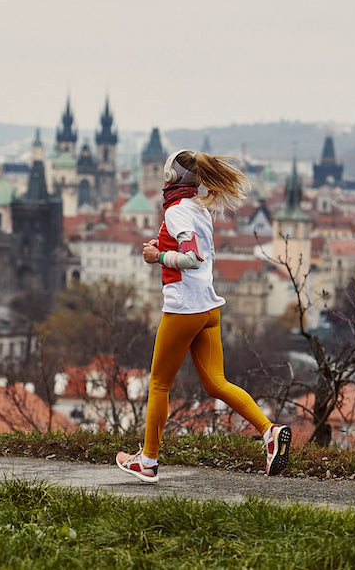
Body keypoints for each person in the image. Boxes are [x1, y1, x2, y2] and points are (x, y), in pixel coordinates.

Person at [115, 150, 291, 484]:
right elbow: (195, 251)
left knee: (159, 383)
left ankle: (148, 461)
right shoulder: (198, 208)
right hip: (209, 308)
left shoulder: (177, 211)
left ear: (170, 179)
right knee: (216, 383)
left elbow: (192, 258)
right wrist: (165, 245)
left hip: (184, 308)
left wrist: (157, 256)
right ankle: (270, 432)